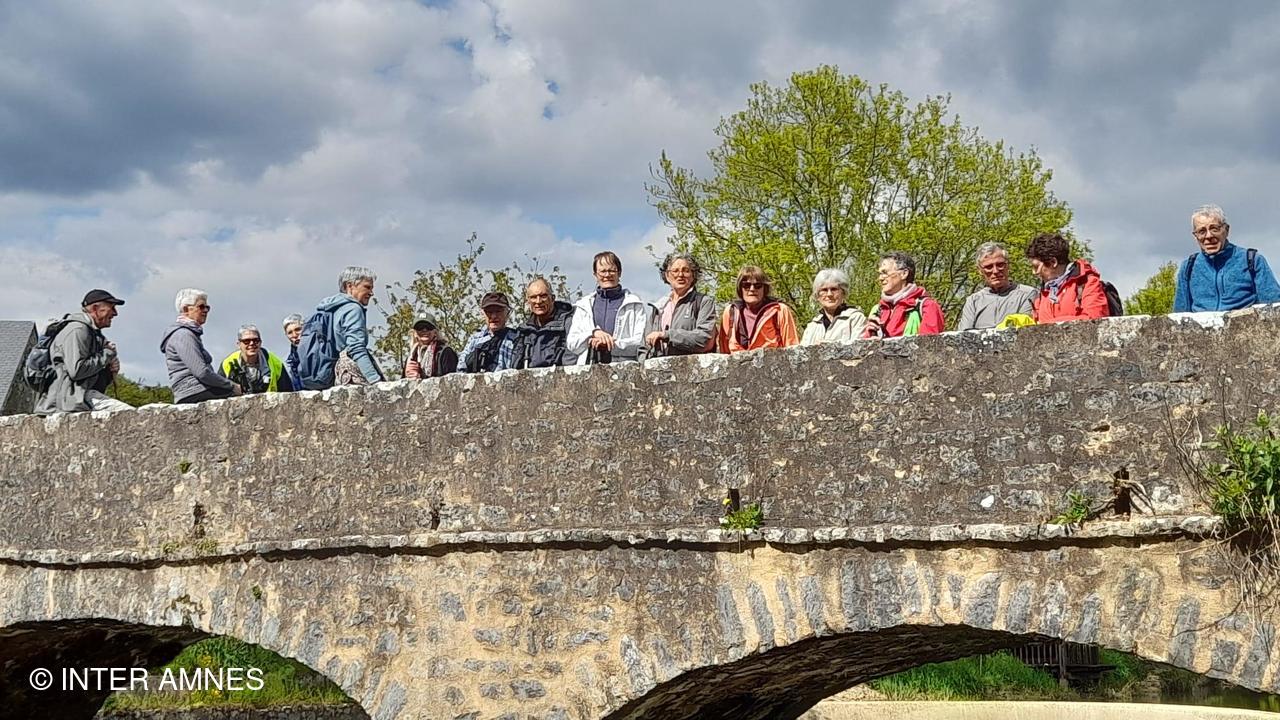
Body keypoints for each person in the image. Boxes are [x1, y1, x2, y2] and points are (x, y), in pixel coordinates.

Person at [34, 289, 133, 415]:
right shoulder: (78, 330)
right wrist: (107, 354)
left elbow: (91, 378)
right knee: (130, 414)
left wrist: (108, 371)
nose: (115, 313)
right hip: (68, 401)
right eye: (112, 308)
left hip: (76, 397)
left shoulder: (90, 332)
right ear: (95, 308)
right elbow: (77, 371)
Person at [1174, 204, 1280, 312]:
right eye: (1202, 231)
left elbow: (1273, 307)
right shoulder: (1188, 267)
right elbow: (1179, 314)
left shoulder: (1252, 260)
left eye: (1214, 229)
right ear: (1195, 236)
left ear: (1226, 230)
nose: (1208, 236)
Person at [160, 288, 242, 404]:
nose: (206, 311)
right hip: (192, 391)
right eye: (201, 307)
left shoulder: (189, 333)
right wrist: (232, 386)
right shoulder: (183, 335)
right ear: (186, 309)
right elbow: (201, 372)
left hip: (196, 389)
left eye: (207, 307)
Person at [567, 251, 650, 364]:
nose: (607, 275)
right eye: (602, 271)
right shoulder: (583, 305)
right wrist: (593, 334)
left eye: (611, 270)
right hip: (589, 369)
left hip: (624, 369)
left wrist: (609, 344)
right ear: (595, 274)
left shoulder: (634, 304)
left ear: (619, 273)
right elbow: (572, 344)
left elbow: (640, 342)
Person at [315, 266, 384, 385]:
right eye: (367, 287)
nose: (371, 293)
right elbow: (356, 348)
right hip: (353, 372)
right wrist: (375, 380)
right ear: (350, 286)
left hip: (338, 373)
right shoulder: (353, 309)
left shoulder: (332, 309)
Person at [645, 252, 717, 358]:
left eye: (686, 270)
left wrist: (667, 335)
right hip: (659, 366)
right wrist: (643, 362)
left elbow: (705, 339)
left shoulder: (703, 302)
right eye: (675, 271)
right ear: (667, 275)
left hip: (690, 366)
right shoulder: (659, 307)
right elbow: (644, 345)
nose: (680, 275)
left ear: (693, 275)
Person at [1026, 232, 1110, 323]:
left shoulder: (1087, 283)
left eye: (1036, 267)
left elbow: (1094, 319)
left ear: (1053, 262)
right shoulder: (1043, 293)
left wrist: (1048, 324)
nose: (1034, 272)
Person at [717, 266, 800, 352]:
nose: (752, 289)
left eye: (758, 285)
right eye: (746, 285)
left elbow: (792, 348)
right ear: (740, 288)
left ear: (764, 288)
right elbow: (724, 352)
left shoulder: (779, 310)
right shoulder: (730, 312)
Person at [958, 243, 1039, 330]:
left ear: (1008, 265)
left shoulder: (1027, 294)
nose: (995, 271)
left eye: (1000, 265)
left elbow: (1025, 330)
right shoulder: (973, 301)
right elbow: (963, 334)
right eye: (989, 267)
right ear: (980, 270)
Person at [862, 252, 945, 338]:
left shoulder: (927, 307)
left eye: (885, 273)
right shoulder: (878, 310)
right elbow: (864, 346)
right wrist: (870, 337)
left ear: (904, 274)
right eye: (880, 274)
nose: (880, 278)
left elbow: (930, 344)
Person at [513, 278, 576, 368]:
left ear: (552, 298)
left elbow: (571, 364)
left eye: (543, 296)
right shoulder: (524, 331)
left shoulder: (569, 323)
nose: (538, 301)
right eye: (533, 297)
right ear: (528, 301)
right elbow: (516, 366)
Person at [217, 325, 295, 394]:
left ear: (260, 343)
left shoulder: (276, 363)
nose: (251, 344)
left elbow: (288, 392)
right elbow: (219, 392)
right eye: (246, 341)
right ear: (239, 344)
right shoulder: (227, 364)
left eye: (255, 340)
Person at [800, 268, 866, 345]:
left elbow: (860, 347)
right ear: (817, 295)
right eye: (824, 290)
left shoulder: (855, 318)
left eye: (834, 289)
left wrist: (829, 346)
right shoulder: (812, 326)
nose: (829, 294)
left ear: (843, 293)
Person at [459, 292, 518, 373]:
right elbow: (460, 368)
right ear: (483, 314)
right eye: (489, 312)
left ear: (507, 313)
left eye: (498, 311)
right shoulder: (474, 339)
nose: (493, 316)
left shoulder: (516, 339)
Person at [282, 313, 304, 390]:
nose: (294, 335)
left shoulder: (318, 348)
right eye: (290, 333)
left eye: (298, 329)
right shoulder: (290, 359)